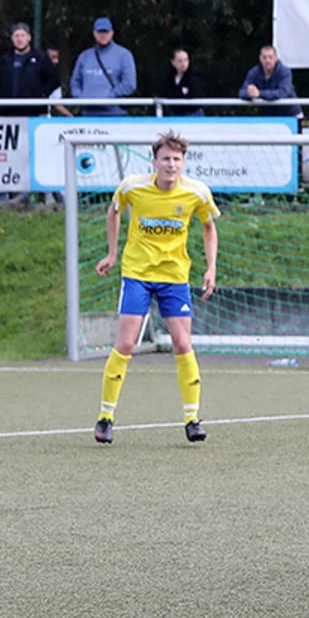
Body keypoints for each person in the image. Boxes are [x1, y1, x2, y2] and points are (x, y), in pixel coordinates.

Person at [91, 132, 219, 444]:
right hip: (136, 274)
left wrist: (211, 266)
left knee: (182, 343)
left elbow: (209, 225)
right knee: (126, 345)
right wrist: (111, 252)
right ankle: (105, 417)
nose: (171, 164)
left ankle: (192, 418)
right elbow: (114, 210)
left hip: (175, 277)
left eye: (177, 159)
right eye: (166, 158)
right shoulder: (133, 187)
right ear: (155, 161)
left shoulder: (197, 193)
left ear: (183, 162)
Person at [71, 18, 137, 115]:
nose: (103, 35)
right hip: (88, 115)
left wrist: (110, 96)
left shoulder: (124, 55)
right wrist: (81, 97)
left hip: (116, 115)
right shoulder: (84, 56)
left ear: (112, 33)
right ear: (94, 33)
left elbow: (130, 84)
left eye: (106, 32)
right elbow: (75, 82)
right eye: (100, 32)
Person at [0, 24, 57, 115]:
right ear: (12, 39)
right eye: (16, 36)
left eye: (23, 35)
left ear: (29, 38)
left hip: (34, 111)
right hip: (8, 111)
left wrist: (41, 95)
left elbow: (53, 80)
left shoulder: (41, 58)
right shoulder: (4, 60)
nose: (19, 39)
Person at [240, 45, 300, 116]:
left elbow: (283, 93)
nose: (267, 60)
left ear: (276, 58)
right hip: (269, 116)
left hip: (291, 114)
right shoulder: (253, 72)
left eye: (270, 57)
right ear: (260, 58)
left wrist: (259, 93)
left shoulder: (285, 71)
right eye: (264, 57)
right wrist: (250, 94)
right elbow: (242, 93)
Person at [44, 49, 73, 116]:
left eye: (57, 58)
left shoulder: (54, 80)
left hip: (42, 122)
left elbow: (57, 103)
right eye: (53, 57)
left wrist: (71, 117)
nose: (56, 61)